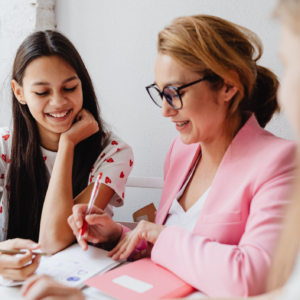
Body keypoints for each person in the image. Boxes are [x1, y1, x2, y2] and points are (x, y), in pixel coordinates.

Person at [21, 7, 300, 300]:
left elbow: (253, 278)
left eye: (175, 93)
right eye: (161, 93)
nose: (166, 110)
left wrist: (158, 234)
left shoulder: (281, 162)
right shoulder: (181, 151)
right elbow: (170, 250)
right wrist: (118, 235)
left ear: (228, 85)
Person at [0, 30, 134, 280]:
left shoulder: (114, 152)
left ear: (82, 84)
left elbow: (54, 241)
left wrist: (67, 144)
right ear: (19, 93)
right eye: (42, 92)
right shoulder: (4, 147)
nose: (58, 102)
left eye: (70, 87)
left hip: (79, 283)